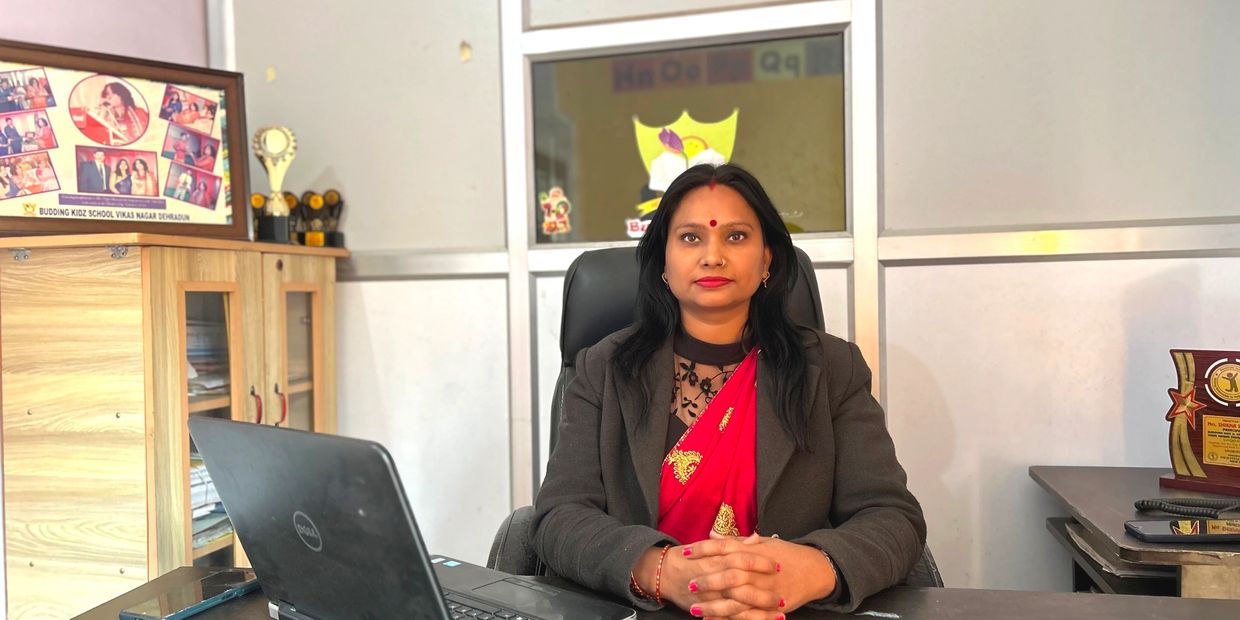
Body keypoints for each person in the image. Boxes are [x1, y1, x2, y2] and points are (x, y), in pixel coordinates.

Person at [531, 164, 926, 618]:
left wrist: (812, 570)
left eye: (735, 236)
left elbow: (892, 517)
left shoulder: (832, 369)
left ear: (767, 258)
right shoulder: (604, 369)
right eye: (690, 238)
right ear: (663, 262)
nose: (713, 256)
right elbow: (558, 516)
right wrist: (660, 570)